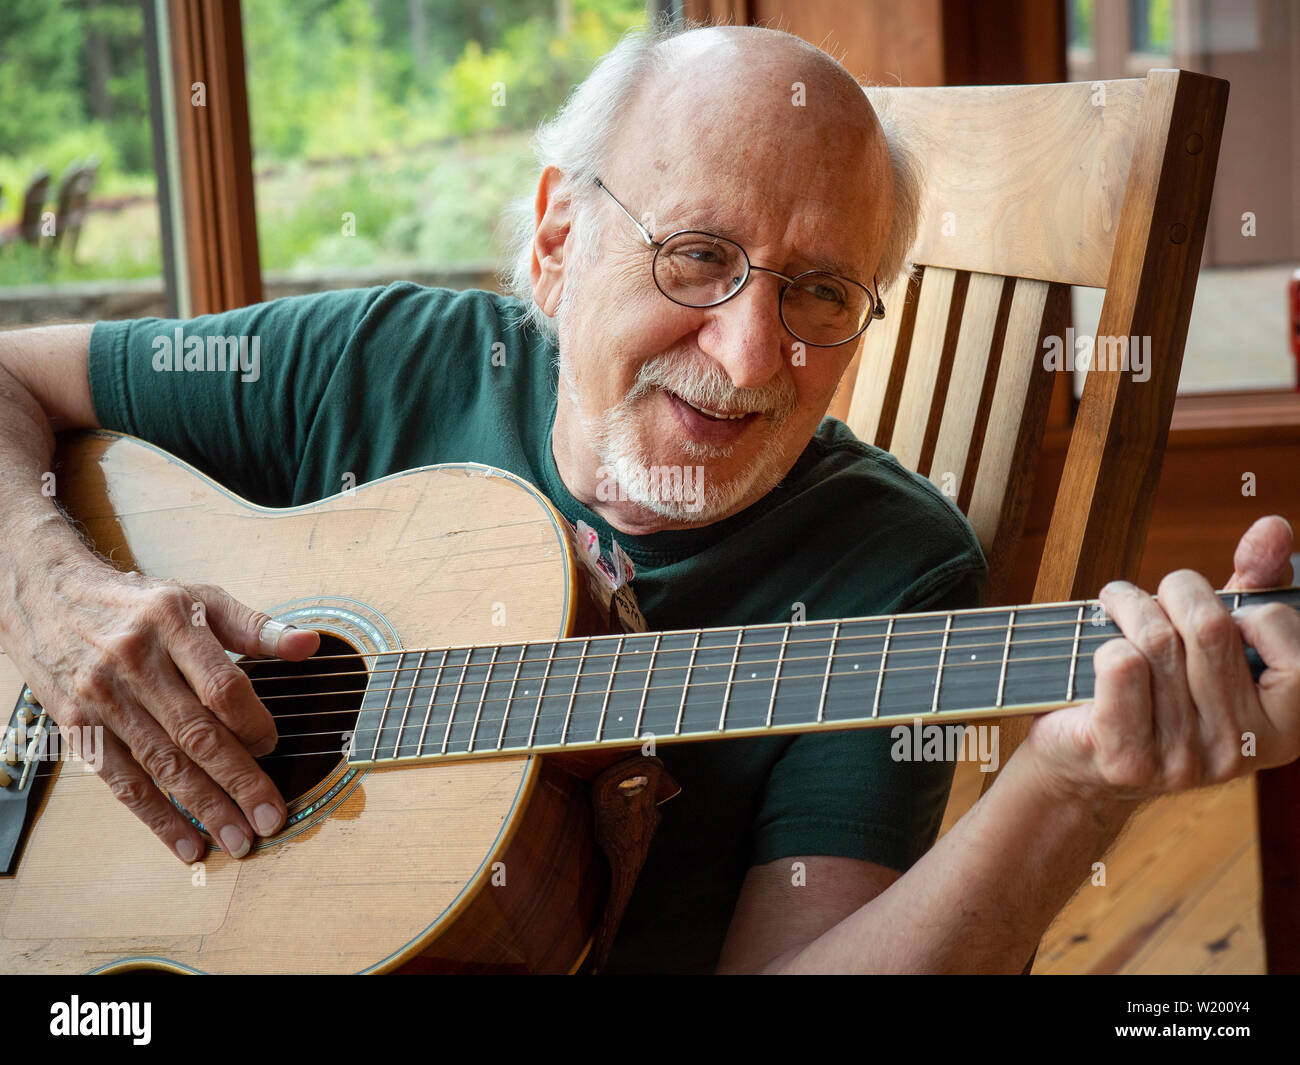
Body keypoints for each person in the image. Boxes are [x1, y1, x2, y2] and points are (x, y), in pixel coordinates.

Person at [0, 22, 1296, 975]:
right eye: (699, 257)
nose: (748, 358)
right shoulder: (378, 365)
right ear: (561, 239)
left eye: (820, 295)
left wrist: (1069, 785)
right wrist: (61, 597)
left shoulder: (888, 578)